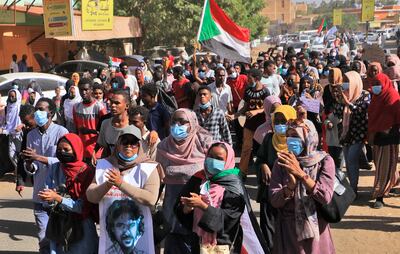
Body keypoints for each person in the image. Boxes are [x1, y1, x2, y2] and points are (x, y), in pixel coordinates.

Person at [175, 142, 269, 254]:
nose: (213, 161)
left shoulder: (234, 186)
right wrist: (186, 209)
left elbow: (229, 219)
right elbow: (179, 206)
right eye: (210, 157)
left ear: (228, 160)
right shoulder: (198, 178)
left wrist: (202, 206)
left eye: (219, 159)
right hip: (198, 241)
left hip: (224, 244)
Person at [86, 126, 161, 254]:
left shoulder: (148, 168)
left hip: (141, 241)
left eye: (133, 143)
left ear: (139, 145)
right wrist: (107, 185)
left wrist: (120, 184)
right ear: (118, 144)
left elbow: (151, 199)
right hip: (111, 242)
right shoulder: (104, 165)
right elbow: (91, 196)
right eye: (125, 142)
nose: (129, 146)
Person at [270, 120, 336, 254]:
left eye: (295, 136)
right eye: (288, 136)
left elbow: (325, 197)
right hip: (289, 231)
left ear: (308, 137)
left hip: (316, 229)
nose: (290, 140)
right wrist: (290, 187)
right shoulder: (281, 162)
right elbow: (275, 201)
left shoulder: (324, 161)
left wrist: (301, 174)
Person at [156, 108, 213, 254]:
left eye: (182, 122)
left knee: (196, 235)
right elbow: (158, 176)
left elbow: (213, 171)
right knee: (174, 235)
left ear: (192, 123)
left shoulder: (204, 142)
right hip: (172, 197)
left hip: (198, 196)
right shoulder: (163, 146)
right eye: (174, 121)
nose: (177, 125)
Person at [21, 98, 68, 253]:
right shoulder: (30, 135)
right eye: (37, 109)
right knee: (43, 238)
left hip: (58, 194)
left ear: (51, 113)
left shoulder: (62, 132)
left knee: (61, 238)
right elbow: (33, 167)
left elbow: (65, 160)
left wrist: (38, 157)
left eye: (42, 109)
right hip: (40, 193)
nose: (38, 113)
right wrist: (29, 163)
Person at [39, 133, 98, 253]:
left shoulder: (87, 172)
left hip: (82, 226)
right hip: (59, 223)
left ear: (76, 150)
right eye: (59, 149)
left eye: (66, 149)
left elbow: (81, 207)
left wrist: (58, 198)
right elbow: (46, 197)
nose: (62, 152)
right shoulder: (55, 168)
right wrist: (49, 199)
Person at [255, 105, 297, 250]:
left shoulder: (296, 140)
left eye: (283, 121)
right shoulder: (268, 139)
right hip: (270, 192)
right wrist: (263, 166)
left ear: (291, 121)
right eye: (277, 121)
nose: (279, 124)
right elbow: (259, 158)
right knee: (268, 229)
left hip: (290, 193)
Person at [227, 68, 270, 175]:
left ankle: (264, 172)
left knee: (263, 149)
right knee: (246, 148)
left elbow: (268, 107)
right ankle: (242, 172)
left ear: (257, 78)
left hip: (262, 125)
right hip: (249, 124)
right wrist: (234, 116)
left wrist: (256, 111)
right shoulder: (248, 90)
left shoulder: (265, 91)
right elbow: (244, 107)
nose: (248, 81)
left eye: (249, 78)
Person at [368, 73, 400, 208]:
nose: (376, 87)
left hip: (389, 137)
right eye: (374, 84)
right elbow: (372, 117)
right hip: (377, 137)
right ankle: (392, 183)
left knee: (384, 168)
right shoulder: (376, 97)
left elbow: (396, 116)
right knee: (383, 166)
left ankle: (379, 196)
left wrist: (387, 127)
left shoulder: (392, 96)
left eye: (378, 84)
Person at [340, 71, 370, 195]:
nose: (346, 84)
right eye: (344, 81)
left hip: (359, 133)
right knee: (348, 161)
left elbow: (362, 112)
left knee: (352, 159)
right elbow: (337, 111)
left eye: (348, 81)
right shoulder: (346, 94)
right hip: (347, 134)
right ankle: (352, 188)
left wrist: (349, 104)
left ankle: (353, 189)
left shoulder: (365, 95)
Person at [74, 78, 107, 162]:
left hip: (95, 152)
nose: (83, 92)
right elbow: (76, 130)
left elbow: (104, 132)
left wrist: (89, 131)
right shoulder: (76, 107)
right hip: (81, 150)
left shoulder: (99, 107)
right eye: (81, 90)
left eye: (86, 90)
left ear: (91, 90)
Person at [93, 89, 131, 162]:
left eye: (117, 103)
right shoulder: (105, 124)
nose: (113, 105)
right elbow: (103, 146)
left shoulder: (133, 125)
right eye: (112, 102)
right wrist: (94, 153)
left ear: (127, 106)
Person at [1, 88, 23, 178]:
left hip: (19, 134)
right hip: (9, 133)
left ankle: (19, 173)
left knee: (19, 154)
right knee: (11, 154)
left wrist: (22, 125)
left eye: (13, 96)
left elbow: (26, 119)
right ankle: (18, 170)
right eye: (10, 96)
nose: (11, 98)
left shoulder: (20, 107)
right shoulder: (7, 108)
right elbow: (6, 121)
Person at [15, 104, 37, 193]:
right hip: (36, 178)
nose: (26, 126)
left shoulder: (55, 132)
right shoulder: (27, 132)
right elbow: (23, 156)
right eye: (24, 123)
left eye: (28, 123)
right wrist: (20, 181)